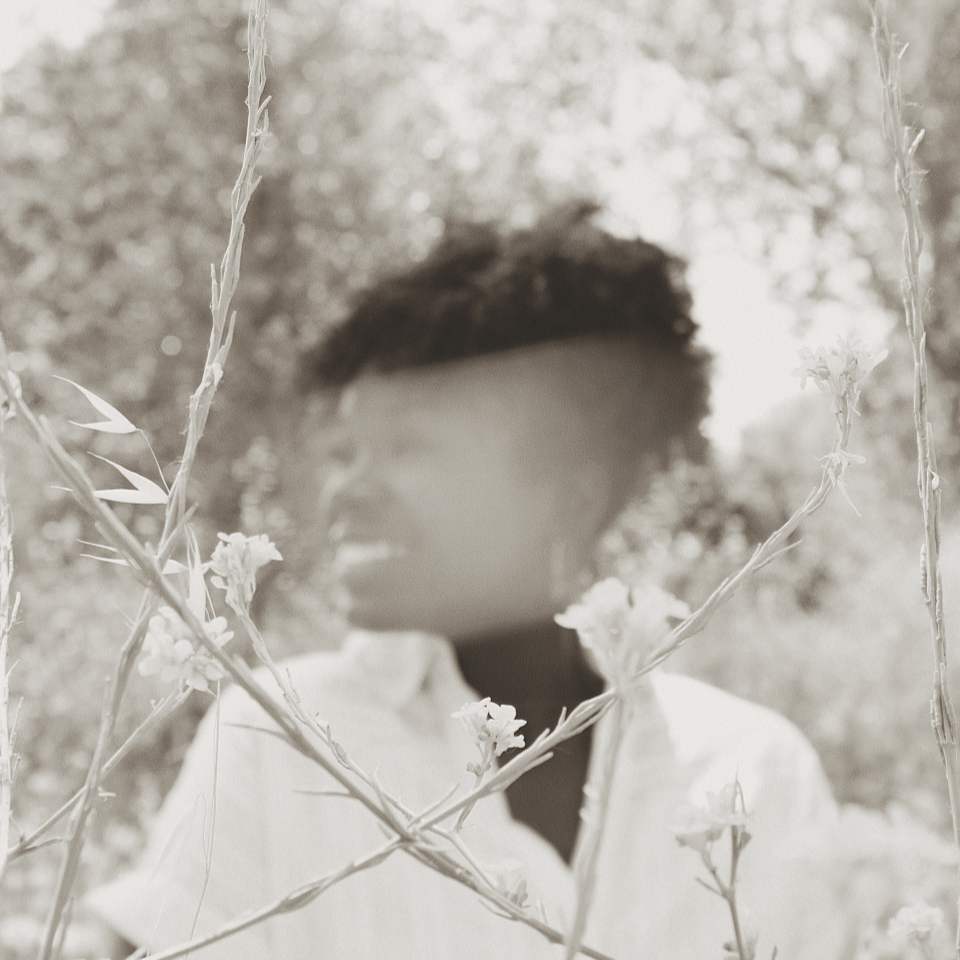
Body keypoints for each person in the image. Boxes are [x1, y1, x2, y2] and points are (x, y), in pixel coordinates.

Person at [87, 201, 850, 958]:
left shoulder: (756, 771)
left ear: (570, 491)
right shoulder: (274, 738)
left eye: (408, 446)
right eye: (344, 451)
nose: (346, 489)